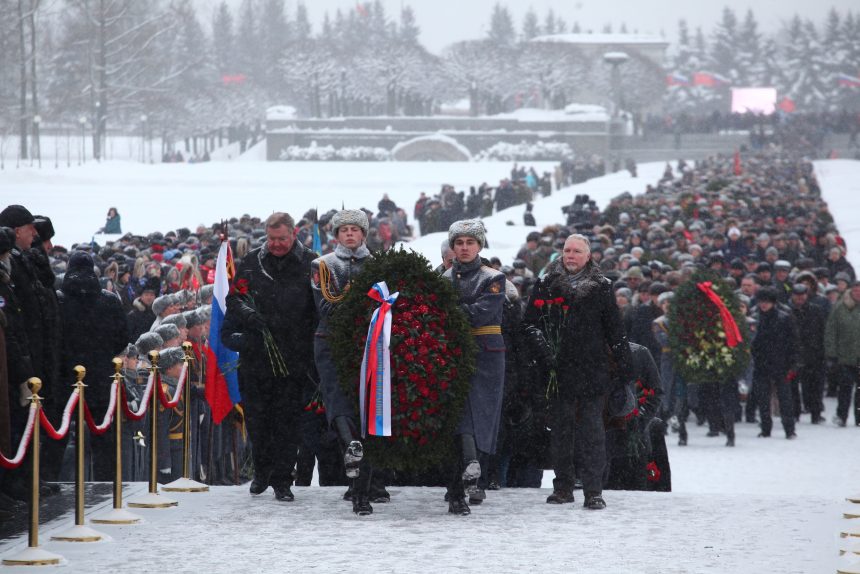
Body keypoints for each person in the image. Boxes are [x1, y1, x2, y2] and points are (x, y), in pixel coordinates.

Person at [523, 233, 632, 510]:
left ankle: (594, 490)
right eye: (567, 250)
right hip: (557, 371)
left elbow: (615, 331)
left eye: (576, 251)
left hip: (592, 371)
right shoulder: (546, 284)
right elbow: (530, 324)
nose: (570, 255)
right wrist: (544, 350)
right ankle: (563, 487)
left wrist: (625, 366)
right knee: (561, 432)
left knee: (592, 433)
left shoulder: (602, 286)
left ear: (588, 256)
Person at [224, 212, 317, 502]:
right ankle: (261, 471)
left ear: (294, 235)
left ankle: (282, 480)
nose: (276, 244)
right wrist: (248, 315)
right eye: (271, 239)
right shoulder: (252, 261)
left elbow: (317, 306)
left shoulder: (311, 262)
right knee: (257, 421)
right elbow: (234, 298)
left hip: (293, 357)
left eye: (282, 239)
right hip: (256, 357)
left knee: (287, 423)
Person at [311, 209, 386, 516]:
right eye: (344, 230)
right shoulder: (322, 265)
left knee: (368, 412)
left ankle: (363, 488)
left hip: (370, 344)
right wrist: (360, 304)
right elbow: (326, 306)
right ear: (336, 235)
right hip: (331, 342)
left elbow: (385, 302)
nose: (350, 234)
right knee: (339, 404)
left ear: (364, 234)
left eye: (355, 229)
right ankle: (351, 450)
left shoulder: (378, 264)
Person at [441, 219, 506, 516]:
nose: (464, 248)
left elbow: (483, 313)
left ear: (480, 245)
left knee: (479, 418)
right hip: (451, 352)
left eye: (470, 242)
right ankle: (457, 489)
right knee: (456, 417)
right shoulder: (443, 278)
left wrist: (451, 311)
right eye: (459, 243)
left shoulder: (493, 277)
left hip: (486, 354)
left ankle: (471, 476)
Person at [57, 251, 128, 480]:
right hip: (100, 375)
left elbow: (52, 336)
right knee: (104, 435)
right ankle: (105, 481)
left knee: (60, 433)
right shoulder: (108, 300)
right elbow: (122, 337)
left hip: (65, 376)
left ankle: (54, 479)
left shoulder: (59, 300)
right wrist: (103, 351)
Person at [751, 287, 798, 439]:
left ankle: (789, 429)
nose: (764, 305)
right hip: (761, 363)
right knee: (763, 399)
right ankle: (765, 428)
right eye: (761, 302)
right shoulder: (755, 318)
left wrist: (793, 363)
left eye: (767, 302)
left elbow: (793, 342)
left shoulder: (784, 318)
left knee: (785, 399)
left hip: (781, 363)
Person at [789, 283, 827, 424]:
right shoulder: (788, 311)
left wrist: (823, 351)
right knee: (793, 386)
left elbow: (823, 331)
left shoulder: (816, 310)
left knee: (815, 386)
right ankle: (795, 412)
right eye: (797, 295)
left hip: (814, 352)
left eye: (802, 295)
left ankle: (815, 413)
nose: (800, 298)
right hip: (794, 352)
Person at [825, 280, 860, 427]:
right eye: (856, 291)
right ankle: (841, 416)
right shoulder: (839, 307)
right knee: (844, 389)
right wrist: (831, 353)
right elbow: (831, 331)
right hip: (844, 356)